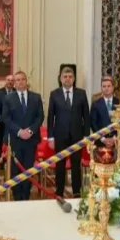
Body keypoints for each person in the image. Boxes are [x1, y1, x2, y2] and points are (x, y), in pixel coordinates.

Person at [46, 65, 90, 197]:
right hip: (60, 136)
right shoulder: (54, 94)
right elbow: (50, 117)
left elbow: (86, 116)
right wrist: (50, 137)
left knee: (76, 164)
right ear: (60, 78)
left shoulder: (81, 93)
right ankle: (59, 191)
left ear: (74, 78)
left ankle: (76, 191)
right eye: (65, 76)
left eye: (70, 77)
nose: (67, 79)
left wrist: (86, 136)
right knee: (60, 164)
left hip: (77, 136)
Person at [1, 71, 42, 201]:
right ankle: (17, 195)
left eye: (22, 79)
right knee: (15, 170)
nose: (20, 82)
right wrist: (19, 132)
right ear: (14, 83)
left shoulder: (36, 97)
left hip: (31, 139)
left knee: (28, 168)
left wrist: (30, 131)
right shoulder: (8, 98)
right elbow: (6, 118)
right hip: (15, 139)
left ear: (26, 81)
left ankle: (26, 195)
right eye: (17, 80)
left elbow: (40, 117)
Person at [90, 76, 118, 149]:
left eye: (109, 86)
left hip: (116, 143)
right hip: (100, 143)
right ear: (101, 88)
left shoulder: (119, 103)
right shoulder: (95, 104)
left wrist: (114, 138)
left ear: (113, 87)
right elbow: (93, 124)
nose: (106, 88)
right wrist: (103, 139)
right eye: (104, 86)